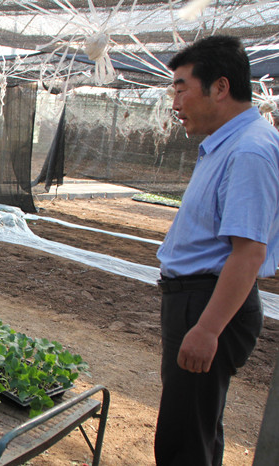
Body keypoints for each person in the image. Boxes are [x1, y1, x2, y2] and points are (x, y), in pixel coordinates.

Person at [155, 35, 279, 466]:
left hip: (208, 301)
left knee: (184, 441)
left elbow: (248, 253)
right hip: (197, 298)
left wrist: (207, 329)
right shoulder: (227, 143)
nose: (175, 104)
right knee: (196, 426)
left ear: (220, 87)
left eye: (181, 89)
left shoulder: (249, 151)